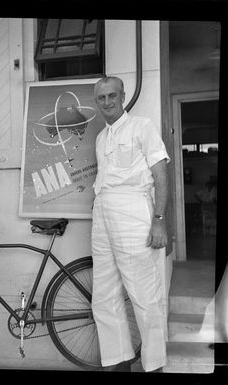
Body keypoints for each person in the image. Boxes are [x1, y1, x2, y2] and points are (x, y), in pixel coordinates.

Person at [91, 76, 169, 373]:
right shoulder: (101, 137)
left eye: (113, 95)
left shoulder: (142, 126)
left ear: (123, 96)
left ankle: (154, 366)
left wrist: (159, 220)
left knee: (145, 296)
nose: (108, 102)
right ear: (96, 101)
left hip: (133, 212)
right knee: (104, 295)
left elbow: (160, 173)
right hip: (103, 213)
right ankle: (118, 360)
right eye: (102, 98)